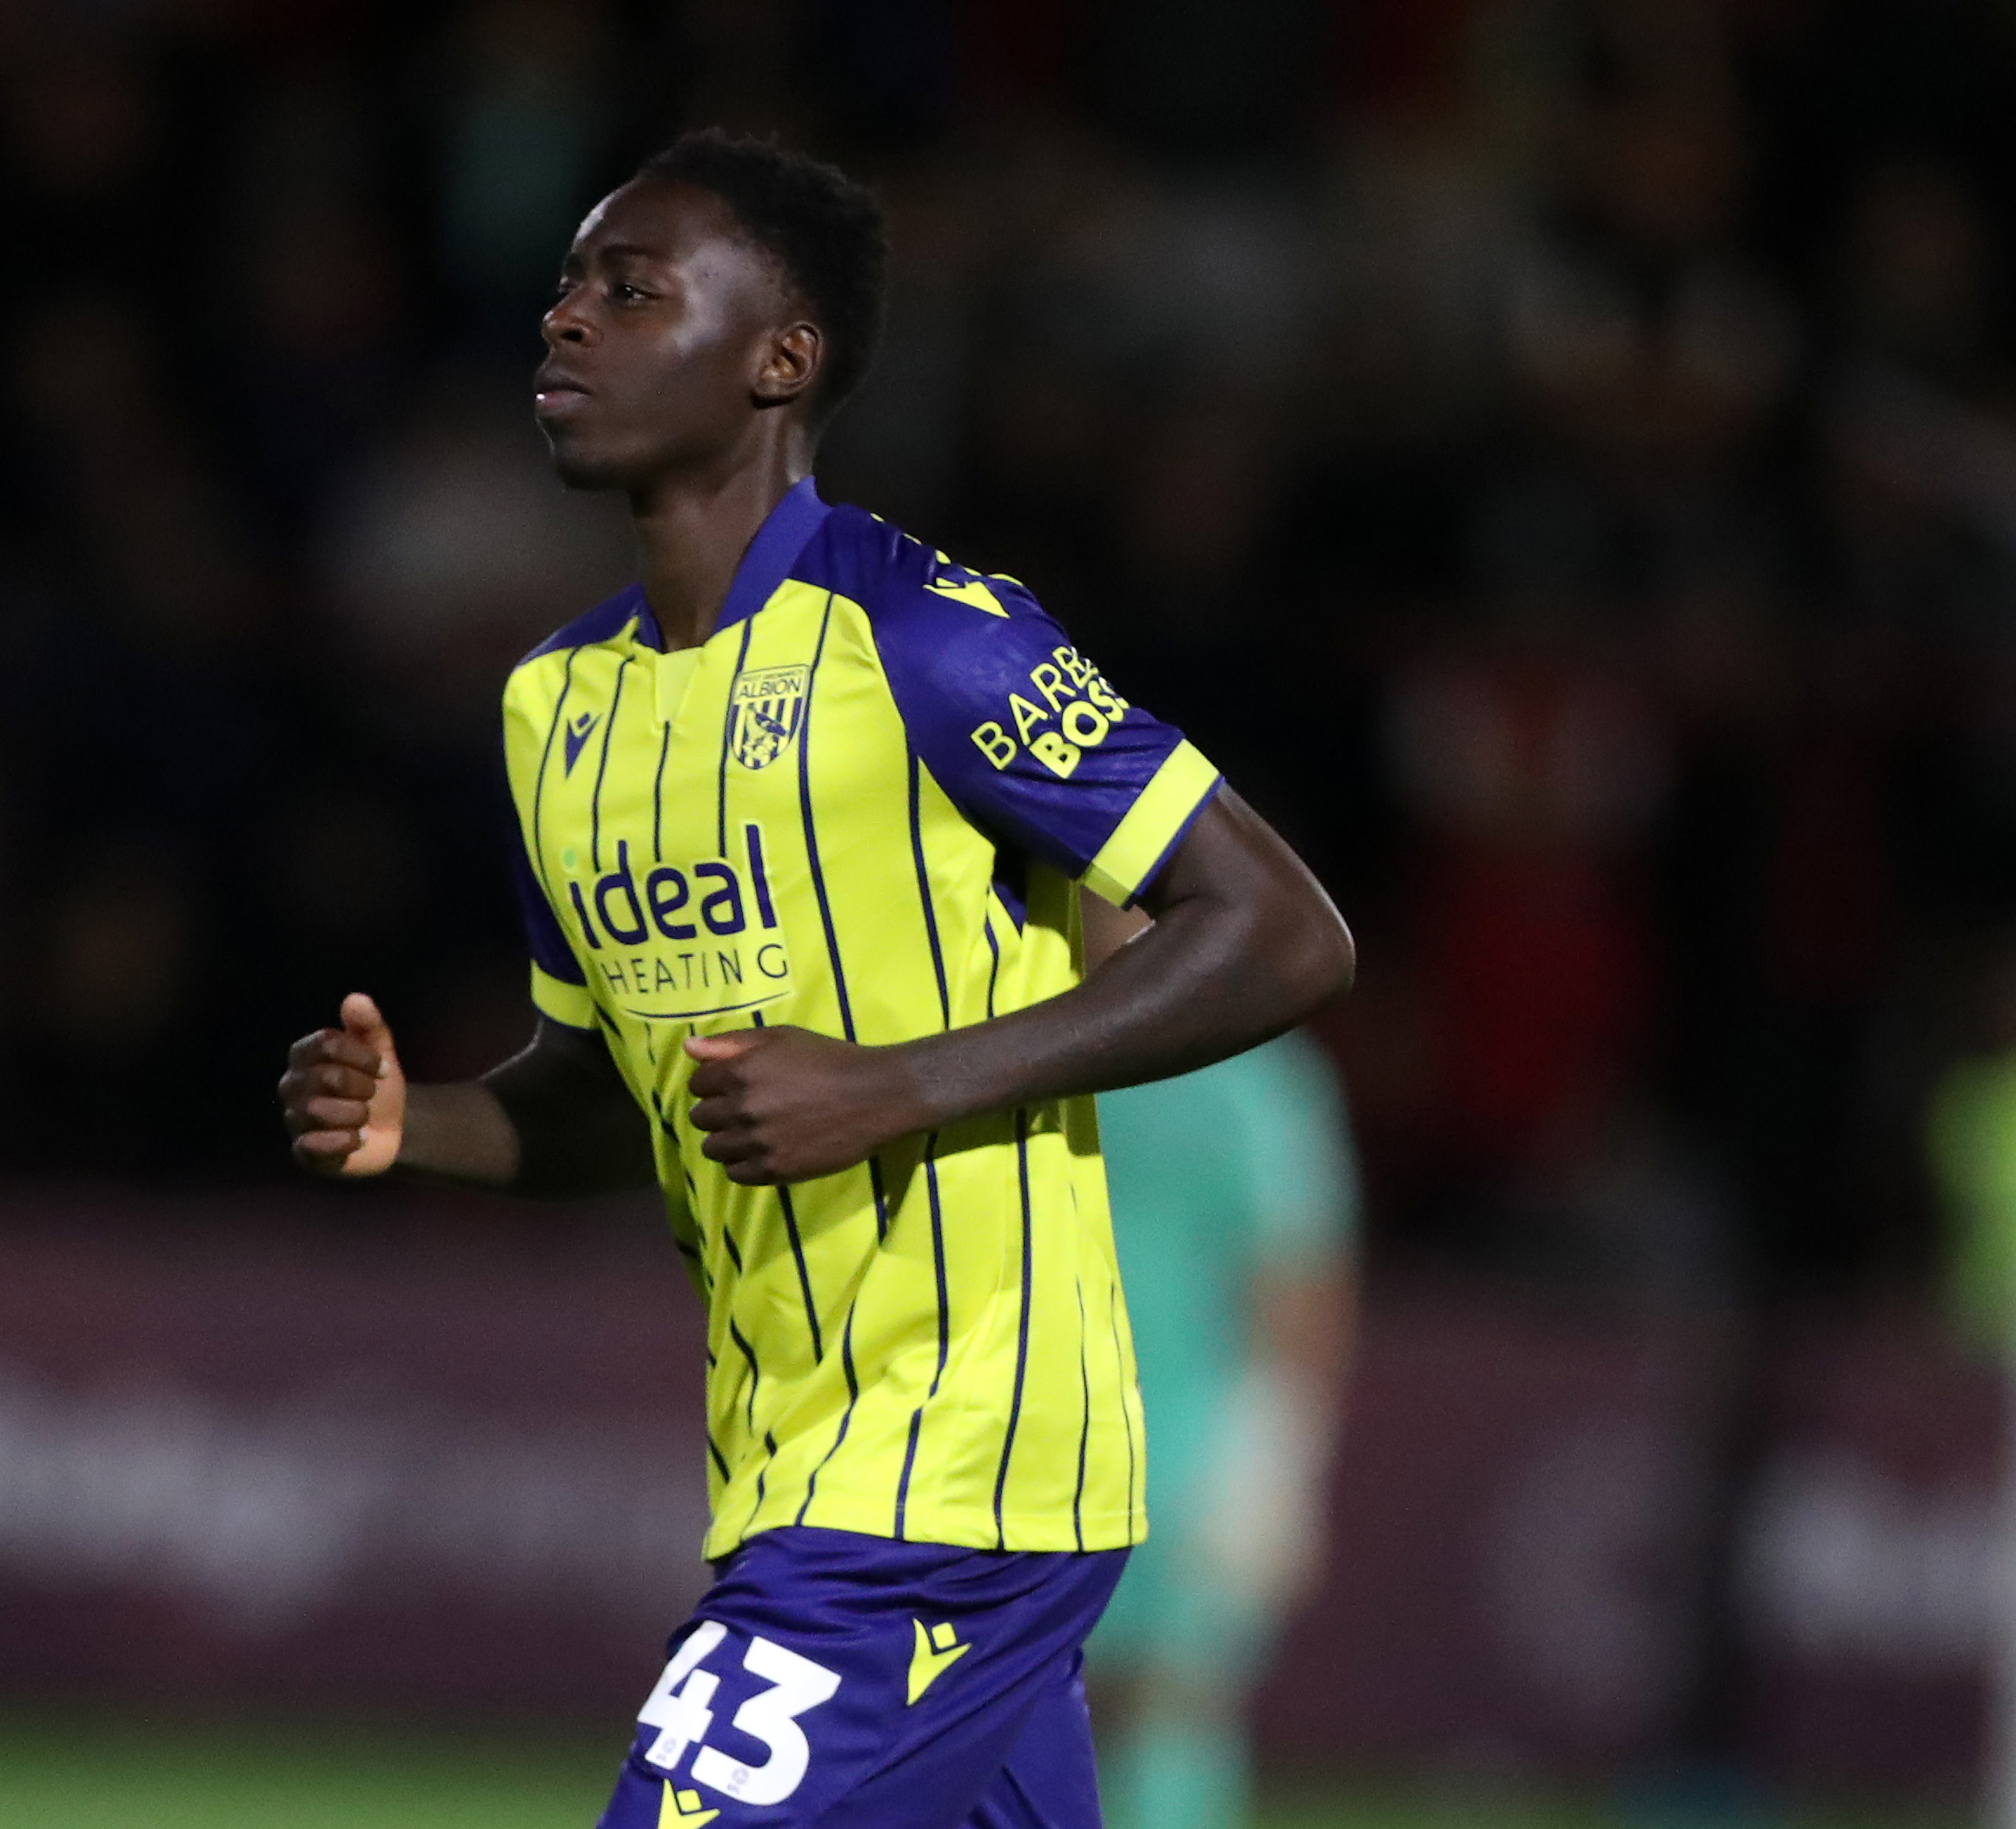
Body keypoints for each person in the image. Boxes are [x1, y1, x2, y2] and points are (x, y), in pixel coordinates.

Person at [276, 129, 1354, 1829]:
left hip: (955, 1477)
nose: (564, 320)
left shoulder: (931, 635)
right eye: (566, 286)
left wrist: (898, 1079)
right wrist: (427, 1124)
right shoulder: (550, 710)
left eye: (629, 290)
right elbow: (596, 1098)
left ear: (780, 355)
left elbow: (1283, 930)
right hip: (786, 1462)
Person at [1076, 898, 1358, 1829]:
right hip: (1040, 1422)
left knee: (1172, 1702)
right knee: (1039, 1700)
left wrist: (1276, 1454)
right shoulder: (1029, 1043)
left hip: (1186, 1439)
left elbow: (1299, 1275)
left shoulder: (1248, 1072)